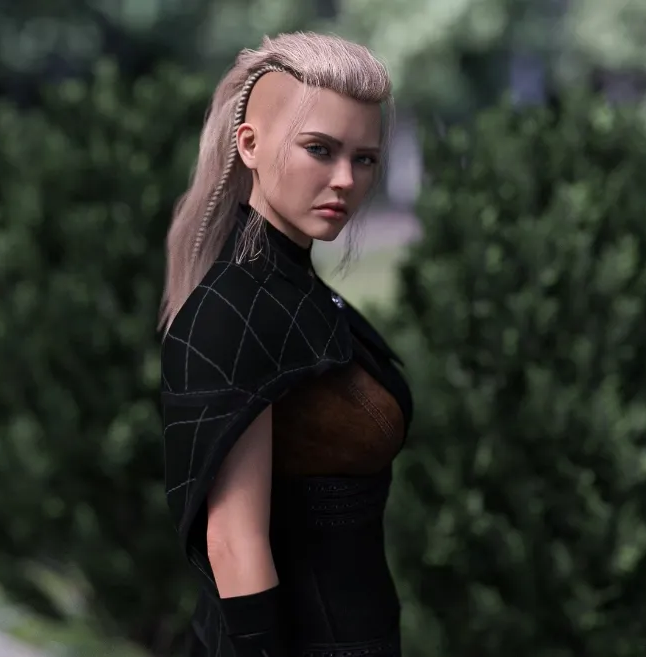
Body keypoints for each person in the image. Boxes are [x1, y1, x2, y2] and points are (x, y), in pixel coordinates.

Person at [159, 32, 413, 657]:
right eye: (319, 149)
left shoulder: (293, 288)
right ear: (249, 144)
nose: (345, 180)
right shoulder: (231, 314)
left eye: (365, 159)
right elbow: (233, 544)